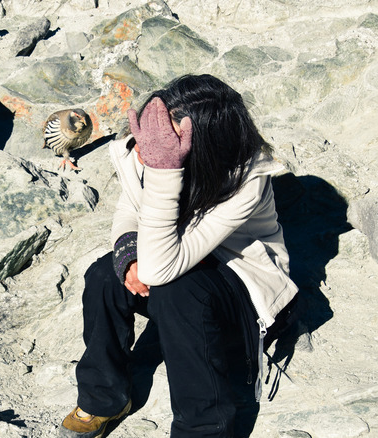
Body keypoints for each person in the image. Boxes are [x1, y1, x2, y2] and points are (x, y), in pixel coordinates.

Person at [58, 74, 298, 438]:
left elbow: (161, 269)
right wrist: (129, 258)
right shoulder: (155, 145)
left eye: (164, 136)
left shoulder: (246, 178)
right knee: (104, 276)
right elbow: (130, 208)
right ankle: (104, 397)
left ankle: (204, 428)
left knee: (177, 292)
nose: (145, 145)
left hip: (243, 286)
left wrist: (163, 171)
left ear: (202, 143)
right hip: (174, 256)